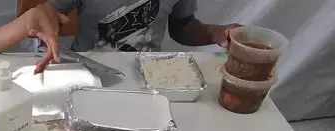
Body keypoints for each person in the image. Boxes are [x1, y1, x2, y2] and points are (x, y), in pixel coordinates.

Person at [40, 0, 240, 52]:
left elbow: (182, 26)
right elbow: (49, 13)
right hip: (88, 75)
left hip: (148, 79)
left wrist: (215, 33)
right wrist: (47, 24)